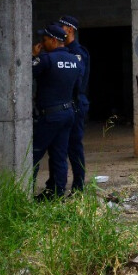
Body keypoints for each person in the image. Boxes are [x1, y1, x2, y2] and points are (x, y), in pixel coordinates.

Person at [32, 23, 81, 200]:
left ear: (53, 40)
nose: (42, 43)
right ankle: (57, 193)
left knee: (34, 154)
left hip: (50, 115)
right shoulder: (74, 60)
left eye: (44, 40)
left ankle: (24, 192)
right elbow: (78, 87)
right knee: (59, 155)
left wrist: (33, 56)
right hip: (67, 113)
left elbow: (27, 73)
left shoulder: (46, 60)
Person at [59, 15, 90, 193]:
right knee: (60, 147)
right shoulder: (63, 51)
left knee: (74, 146)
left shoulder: (77, 53)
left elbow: (77, 80)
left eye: (62, 27)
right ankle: (57, 186)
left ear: (70, 29)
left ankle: (78, 187)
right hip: (64, 103)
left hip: (76, 102)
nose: (59, 30)